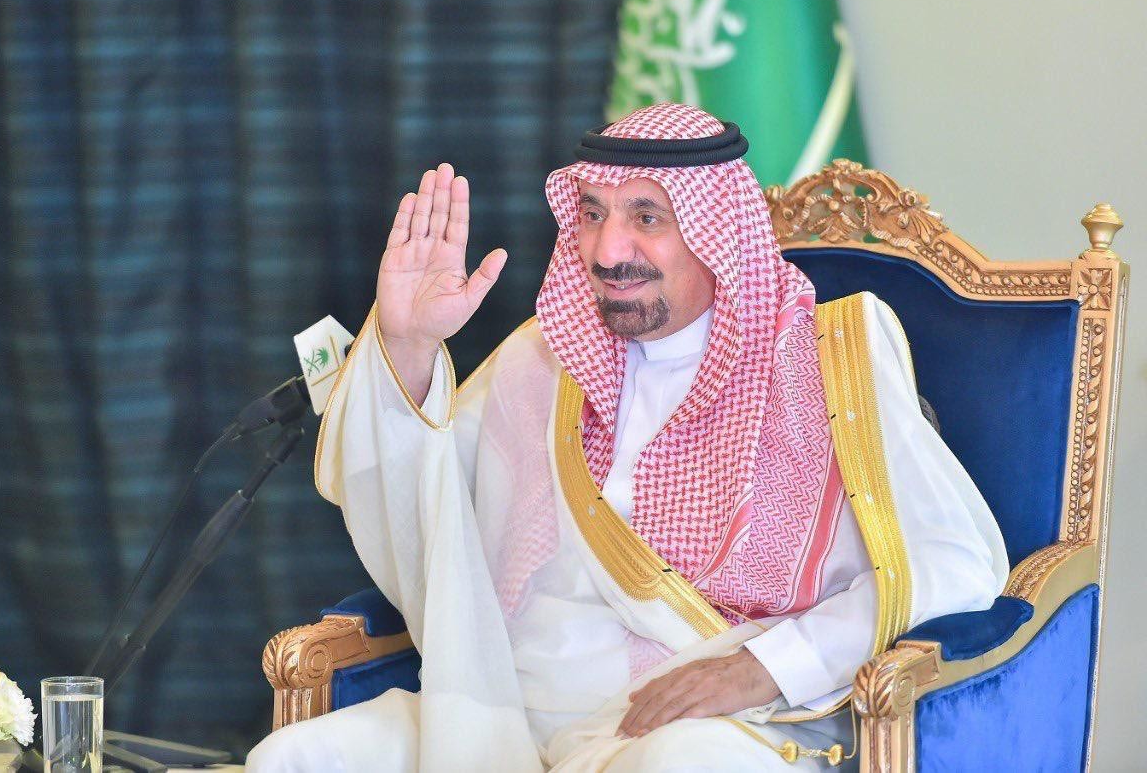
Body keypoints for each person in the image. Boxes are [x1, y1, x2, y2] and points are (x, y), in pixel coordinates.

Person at [246, 103, 1008, 772]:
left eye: (647, 218)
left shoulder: (827, 359)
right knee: (295, 758)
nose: (607, 251)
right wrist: (407, 347)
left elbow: (953, 561)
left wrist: (766, 667)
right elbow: (420, 519)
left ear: (716, 233)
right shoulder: (543, 359)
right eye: (591, 213)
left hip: (718, 726)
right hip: (504, 725)